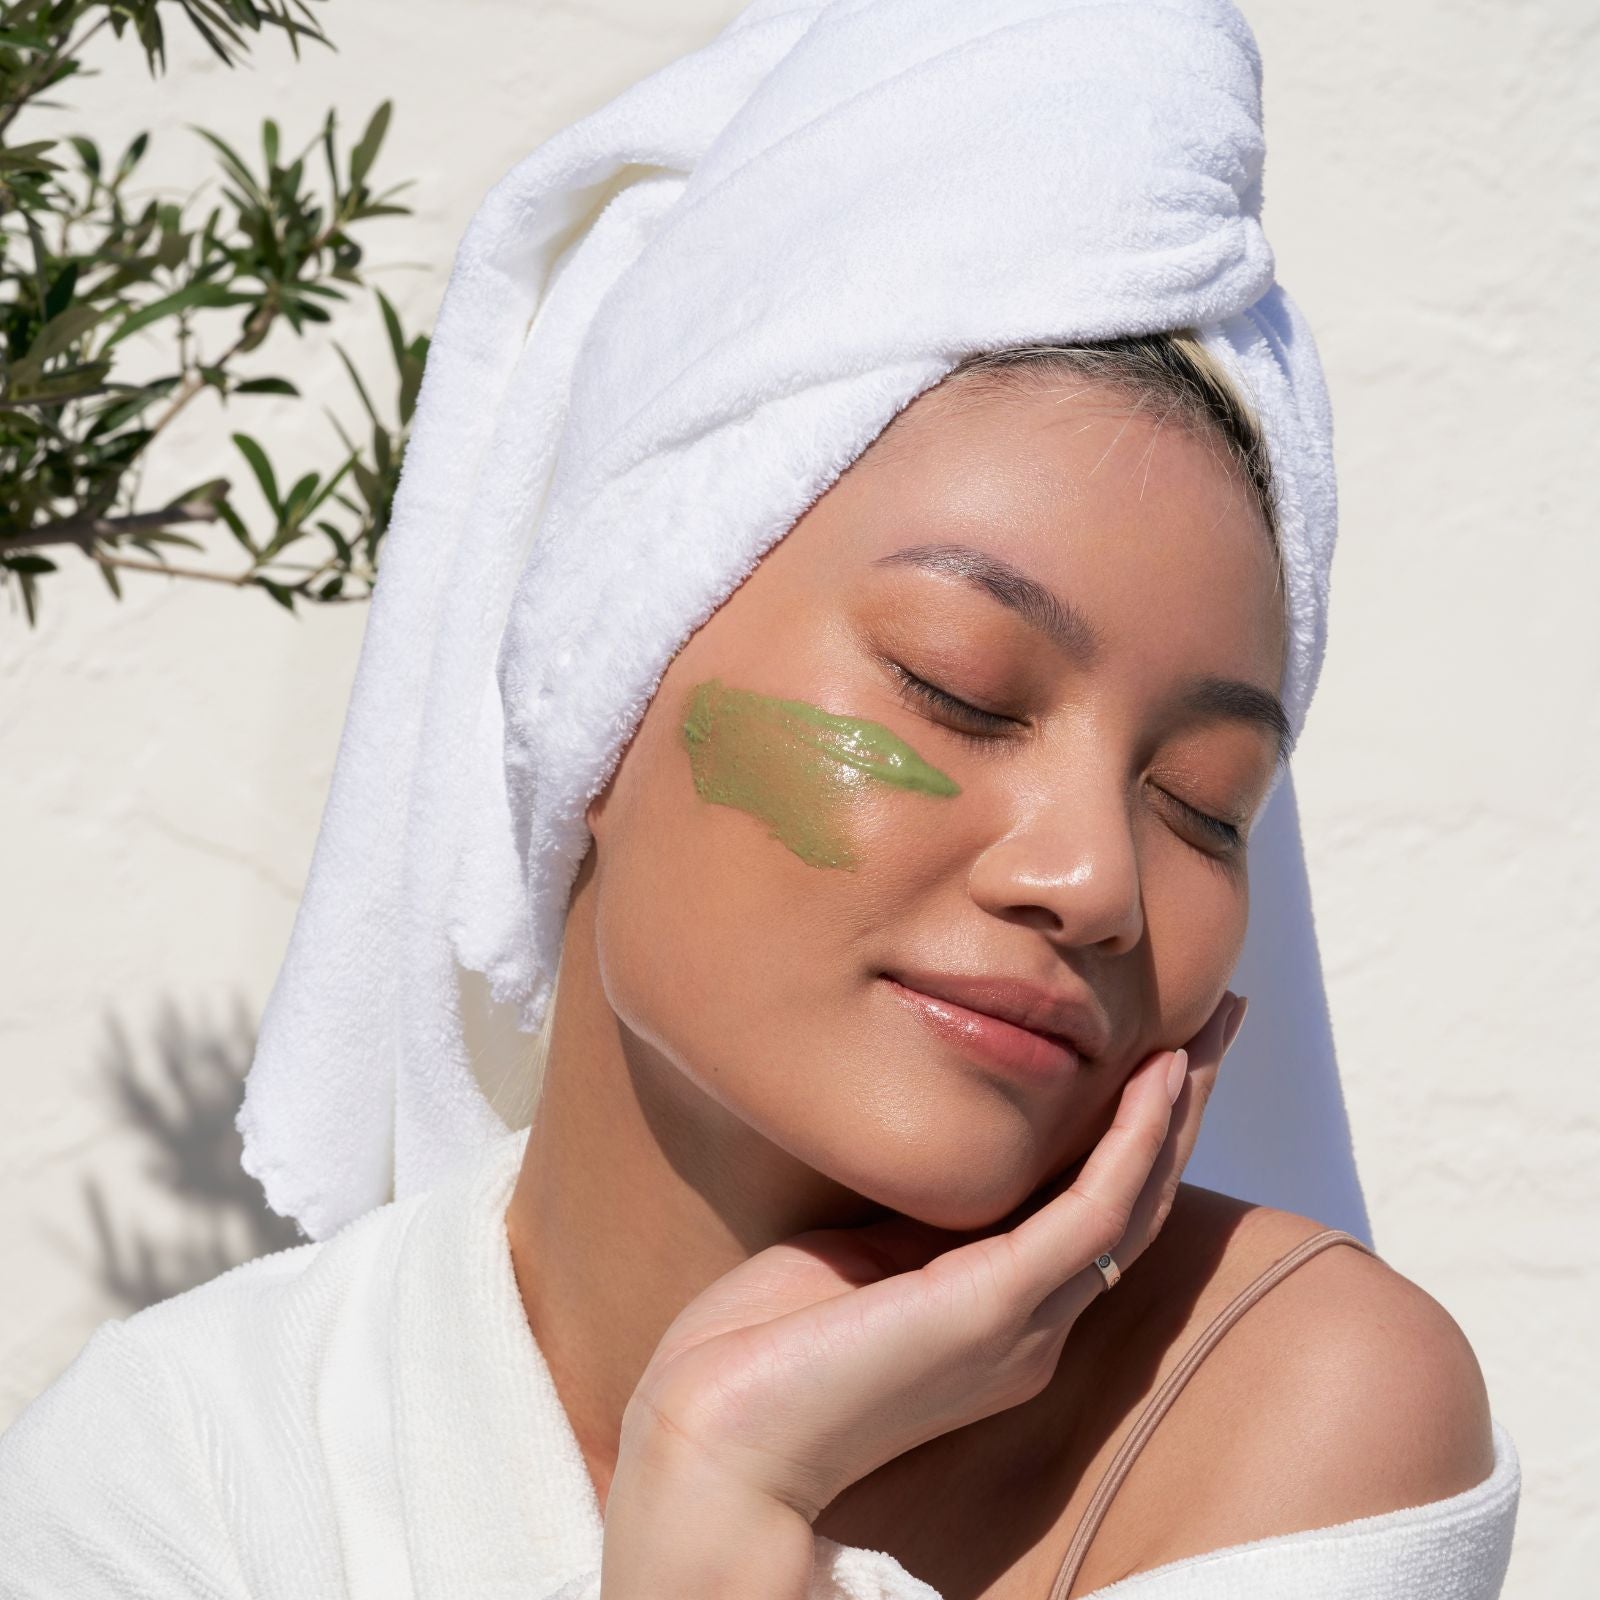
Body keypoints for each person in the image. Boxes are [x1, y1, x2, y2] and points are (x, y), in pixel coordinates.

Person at [0, 3, 1520, 1598]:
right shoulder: (187, 1474)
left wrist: (725, 1496)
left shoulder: (1283, 1416)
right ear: (600, 684)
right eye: (956, 686)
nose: (1095, 879)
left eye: (1206, 803)